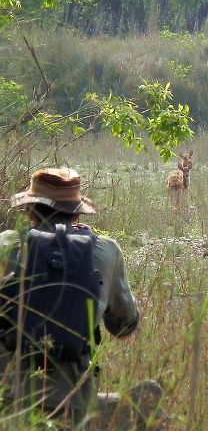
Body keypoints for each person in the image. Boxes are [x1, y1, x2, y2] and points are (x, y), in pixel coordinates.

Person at [0, 167, 144, 428]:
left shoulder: (5, 245)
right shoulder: (105, 251)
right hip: (73, 399)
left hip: (9, 395)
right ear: (77, 212)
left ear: (29, 210)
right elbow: (124, 325)